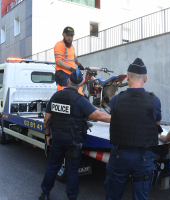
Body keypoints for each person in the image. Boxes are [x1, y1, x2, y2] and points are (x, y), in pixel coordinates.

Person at [39, 69, 111, 200]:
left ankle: (45, 193)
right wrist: (117, 118)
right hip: (73, 140)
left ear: (67, 81)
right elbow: (98, 116)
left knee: (52, 166)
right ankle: (72, 197)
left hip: (57, 139)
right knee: (72, 170)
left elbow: (47, 119)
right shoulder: (80, 100)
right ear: (81, 83)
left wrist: (48, 135)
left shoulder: (56, 96)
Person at [105, 58, 162, 200]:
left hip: (119, 155)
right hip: (143, 157)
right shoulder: (154, 101)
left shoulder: (115, 100)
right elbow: (156, 123)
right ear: (146, 79)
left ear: (127, 76)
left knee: (113, 195)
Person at [54, 26, 84, 95]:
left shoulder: (72, 47)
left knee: (78, 92)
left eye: (71, 35)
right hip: (63, 74)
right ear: (63, 34)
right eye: (68, 35)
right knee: (65, 93)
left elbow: (74, 57)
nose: (70, 37)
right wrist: (70, 68)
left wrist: (79, 65)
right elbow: (58, 61)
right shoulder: (59, 45)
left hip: (71, 74)